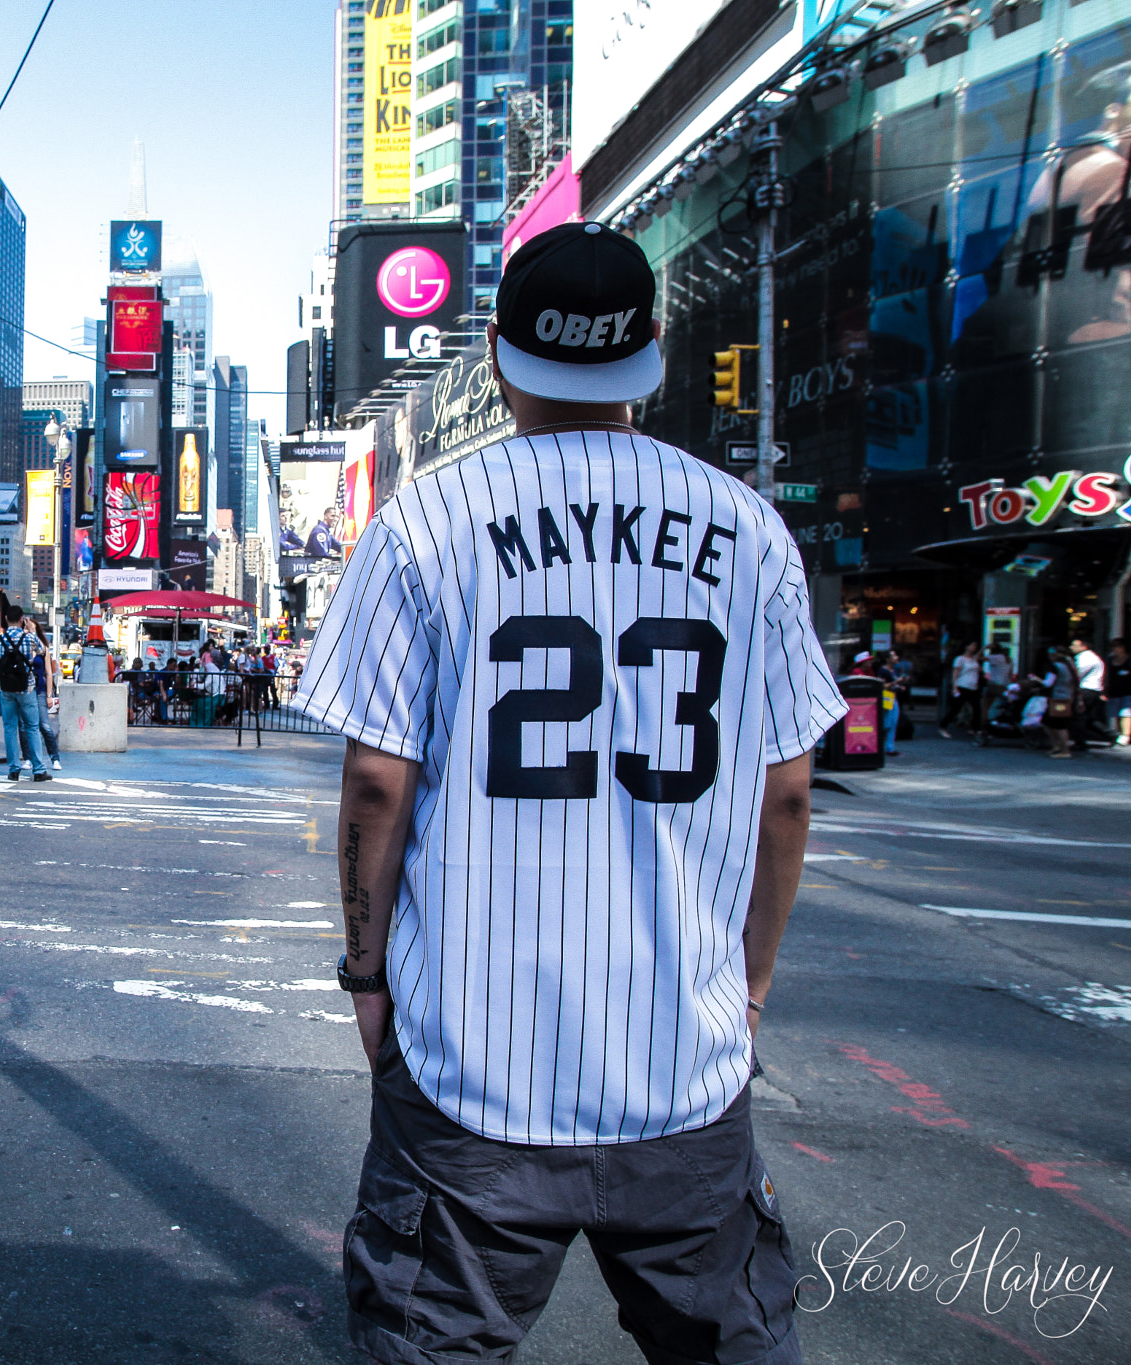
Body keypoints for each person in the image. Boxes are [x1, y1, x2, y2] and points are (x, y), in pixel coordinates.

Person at [297, 222, 842, 1365]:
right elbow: (784, 793)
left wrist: (364, 973)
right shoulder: (748, 532)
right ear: (652, 352)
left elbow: (375, 786)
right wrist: (743, 993)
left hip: (469, 1075)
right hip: (680, 1071)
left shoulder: (423, 527)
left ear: (496, 357)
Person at [0, 605, 50, 781]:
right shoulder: (29, 638)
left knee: (9, 728)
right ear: (22, 619)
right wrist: (31, 631)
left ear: (6, 619)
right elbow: (43, 651)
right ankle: (38, 770)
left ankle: (14, 769)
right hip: (27, 687)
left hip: (6, 688)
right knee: (31, 727)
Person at [24, 617, 63, 769]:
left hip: (39, 690)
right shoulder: (22, 647)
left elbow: (48, 673)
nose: (28, 632)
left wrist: (49, 695)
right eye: (26, 630)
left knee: (44, 725)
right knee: (24, 726)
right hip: (25, 690)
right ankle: (28, 758)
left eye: (31, 629)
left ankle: (55, 758)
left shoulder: (43, 648)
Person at [1039, 646, 1080, 758]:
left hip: (1058, 699)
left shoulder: (1055, 667)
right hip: (1067, 698)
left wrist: (1036, 680)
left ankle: (1064, 750)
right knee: (1049, 722)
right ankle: (1057, 746)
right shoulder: (1069, 666)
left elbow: (1048, 683)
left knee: (1060, 725)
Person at [1070, 636, 1106, 751]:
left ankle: (1080, 741)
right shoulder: (1091, 657)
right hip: (1092, 689)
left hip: (1086, 690)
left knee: (1079, 716)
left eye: (1074, 645)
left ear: (1083, 646)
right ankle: (1113, 735)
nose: (1071, 647)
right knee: (1089, 717)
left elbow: (1077, 674)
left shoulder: (1085, 658)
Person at [941, 641, 982, 738]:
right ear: (966, 646)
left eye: (975, 646)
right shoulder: (960, 659)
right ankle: (943, 726)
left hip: (973, 687)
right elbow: (955, 673)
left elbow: (980, 669)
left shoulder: (974, 659)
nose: (974, 648)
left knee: (977, 709)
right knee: (955, 709)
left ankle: (975, 729)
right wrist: (955, 687)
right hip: (962, 686)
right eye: (972, 645)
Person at [1107, 638, 1131, 746]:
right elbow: (1106, 675)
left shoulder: (1129, 660)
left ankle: (1126, 735)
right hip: (1114, 690)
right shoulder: (1109, 660)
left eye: (1116, 646)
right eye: (1113, 646)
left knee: (1126, 713)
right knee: (1115, 714)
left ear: (1123, 648)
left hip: (1128, 691)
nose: (1114, 649)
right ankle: (1118, 734)